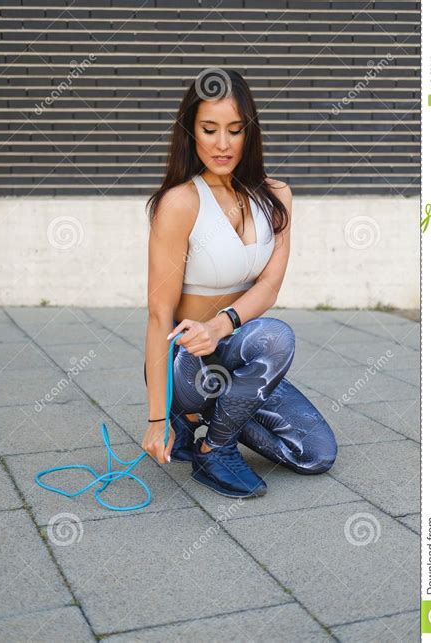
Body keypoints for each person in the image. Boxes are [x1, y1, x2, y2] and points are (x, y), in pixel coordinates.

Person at [142, 69, 337, 498]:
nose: (223, 144)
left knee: (315, 453)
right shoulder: (180, 202)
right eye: (209, 129)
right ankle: (212, 446)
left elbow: (268, 287)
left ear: (250, 132)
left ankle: (201, 421)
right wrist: (156, 418)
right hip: (190, 364)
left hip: (239, 354)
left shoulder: (276, 195)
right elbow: (158, 316)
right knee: (275, 336)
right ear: (191, 132)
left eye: (235, 130)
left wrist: (221, 325)